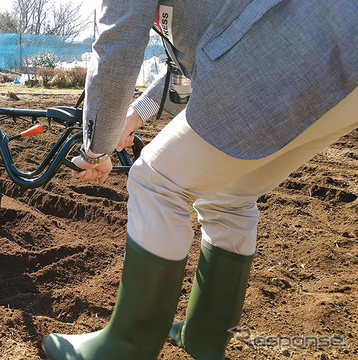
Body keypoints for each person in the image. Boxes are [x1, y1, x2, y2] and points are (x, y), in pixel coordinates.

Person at [42, 1, 358, 359]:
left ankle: (125, 347)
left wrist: (96, 152)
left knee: (154, 181)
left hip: (285, 56)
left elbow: (116, 44)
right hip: (344, 58)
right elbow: (186, 72)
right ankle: (205, 337)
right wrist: (132, 117)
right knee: (230, 198)